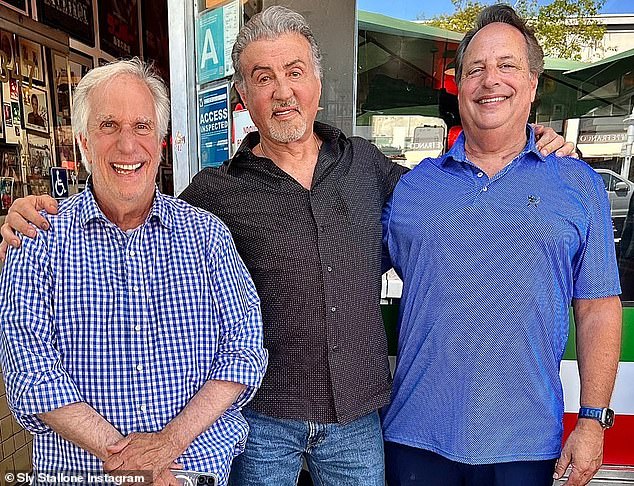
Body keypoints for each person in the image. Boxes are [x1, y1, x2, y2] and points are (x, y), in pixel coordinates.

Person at [0, 7, 575, 486]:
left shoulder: (368, 169)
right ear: (243, 94)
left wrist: (530, 148)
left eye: (294, 71)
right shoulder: (212, 196)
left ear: (318, 84)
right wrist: (28, 216)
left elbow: (454, 209)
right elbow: (132, 196)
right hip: (262, 423)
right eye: (263, 77)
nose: (282, 92)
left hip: (357, 419)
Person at [381, 5, 622, 486]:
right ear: (459, 87)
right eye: (476, 69)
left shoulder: (577, 184)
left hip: (526, 443)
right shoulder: (410, 189)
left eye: (507, 66)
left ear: (533, 84)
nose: (490, 80)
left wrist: (593, 420)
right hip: (414, 439)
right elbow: (344, 274)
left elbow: (597, 308)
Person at [0, 59, 267, 486]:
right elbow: (30, 372)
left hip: (192, 472)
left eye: (142, 126)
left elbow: (245, 347)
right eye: (109, 125)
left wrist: (169, 445)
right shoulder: (35, 240)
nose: (128, 146)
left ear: (160, 141)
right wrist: (137, 466)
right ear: (84, 142)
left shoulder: (206, 235)